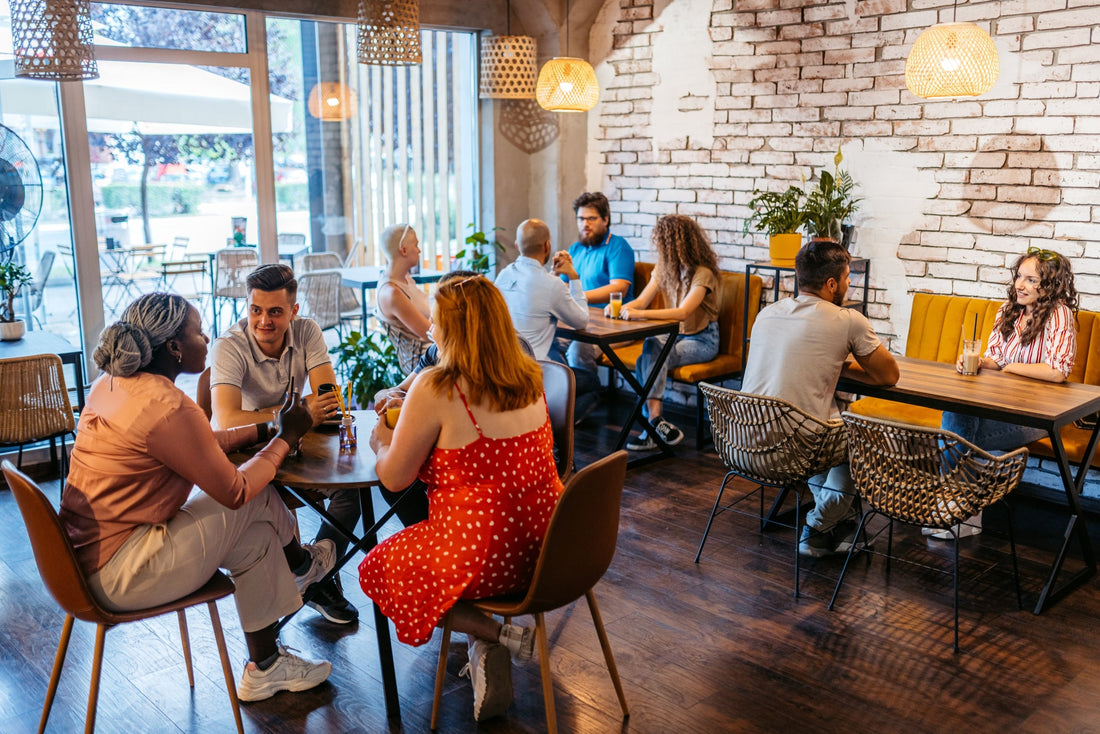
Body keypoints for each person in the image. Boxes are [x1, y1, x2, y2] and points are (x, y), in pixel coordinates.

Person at [59, 293, 333, 702]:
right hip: (123, 572)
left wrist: (265, 431)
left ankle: (267, 667)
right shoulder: (167, 407)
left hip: (82, 563)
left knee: (254, 539)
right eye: (199, 332)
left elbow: (196, 443)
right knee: (253, 495)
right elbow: (236, 491)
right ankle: (304, 564)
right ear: (173, 347)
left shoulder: (114, 384)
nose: (206, 339)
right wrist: (288, 437)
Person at [359, 275, 563, 722]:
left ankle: (491, 634)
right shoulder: (529, 376)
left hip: (485, 556)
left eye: (436, 319)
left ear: (454, 329)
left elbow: (394, 478)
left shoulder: (436, 387)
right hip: (552, 548)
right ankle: (482, 644)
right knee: (450, 536)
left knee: (379, 565)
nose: (429, 325)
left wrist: (381, 440)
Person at [209, 263, 359, 625]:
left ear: (293, 311)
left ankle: (313, 578)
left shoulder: (306, 331)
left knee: (351, 492)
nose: (264, 321)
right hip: (248, 458)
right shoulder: (229, 345)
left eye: (275, 312)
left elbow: (326, 400)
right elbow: (227, 420)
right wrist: (293, 411)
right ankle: (312, 575)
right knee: (271, 503)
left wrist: (301, 412)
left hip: (296, 447)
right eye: (255, 310)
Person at [740, 241, 900, 557]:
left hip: (741, 440)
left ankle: (840, 527)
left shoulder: (767, 313)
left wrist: (832, 363)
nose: (849, 285)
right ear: (831, 284)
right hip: (792, 449)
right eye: (847, 279)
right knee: (861, 434)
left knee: (822, 420)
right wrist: (844, 363)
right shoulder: (847, 319)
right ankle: (818, 526)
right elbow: (888, 376)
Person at [932, 246, 1078, 539]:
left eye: (1031, 280)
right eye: (1019, 277)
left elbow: (1056, 371)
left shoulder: (1059, 315)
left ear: (1049, 285)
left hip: (1036, 417)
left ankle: (954, 508)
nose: (1019, 285)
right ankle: (963, 508)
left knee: (955, 433)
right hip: (998, 408)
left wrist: (1010, 367)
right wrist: (973, 361)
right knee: (957, 414)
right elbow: (994, 358)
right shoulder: (1008, 310)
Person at [615, 214, 721, 450]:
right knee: (651, 347)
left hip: (702, 339)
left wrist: (638, 315)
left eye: (663, 243)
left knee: (648, 359)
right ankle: (655, 422)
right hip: (674, 335)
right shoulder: (664, 269)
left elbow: (683, 313)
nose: (660, 248)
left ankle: (650, 427)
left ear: (677, 244)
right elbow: (641, 302)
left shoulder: (703, 274)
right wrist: (620, 309)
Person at [497, 219, 600, 422]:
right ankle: (552, 427)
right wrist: (573, 277)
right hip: (533, 374)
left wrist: (553, 274)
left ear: (517, 246)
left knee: (558, 355)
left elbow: (537, 291)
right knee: (593, 384)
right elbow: (581, 321)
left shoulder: (503, 276)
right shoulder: (551, 285)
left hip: (503, 369)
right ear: (547, 245)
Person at [563, 191, 635, 375]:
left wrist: (578, 297)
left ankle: (589, 400)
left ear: (605, 219)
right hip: (581, 321)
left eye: (591, 218)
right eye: (580, 219)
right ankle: (565, 398)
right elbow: (563, 285)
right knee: (547, 342)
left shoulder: (618, 246)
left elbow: (619, 288)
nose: (584, 224)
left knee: (578, 351)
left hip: (615, 324)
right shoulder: (575, 248)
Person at [377, 222, 432, 370]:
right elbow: (430, 334)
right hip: (424, 360)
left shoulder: (404, 277)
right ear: (404, 250)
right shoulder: (392, 293)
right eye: (416, 245)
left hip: (434, 349)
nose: (419, 250)